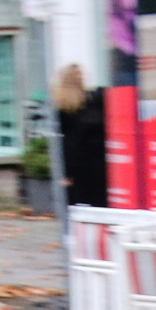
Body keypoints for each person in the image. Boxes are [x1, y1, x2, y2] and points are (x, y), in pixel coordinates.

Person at [53, 64, 107, 208]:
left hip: (77, 161)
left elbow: (65, 138)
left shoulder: (63, 104)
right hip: (97, 159)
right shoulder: (94, 100)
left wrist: (66, 171)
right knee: (99, 201)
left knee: (80, 202)